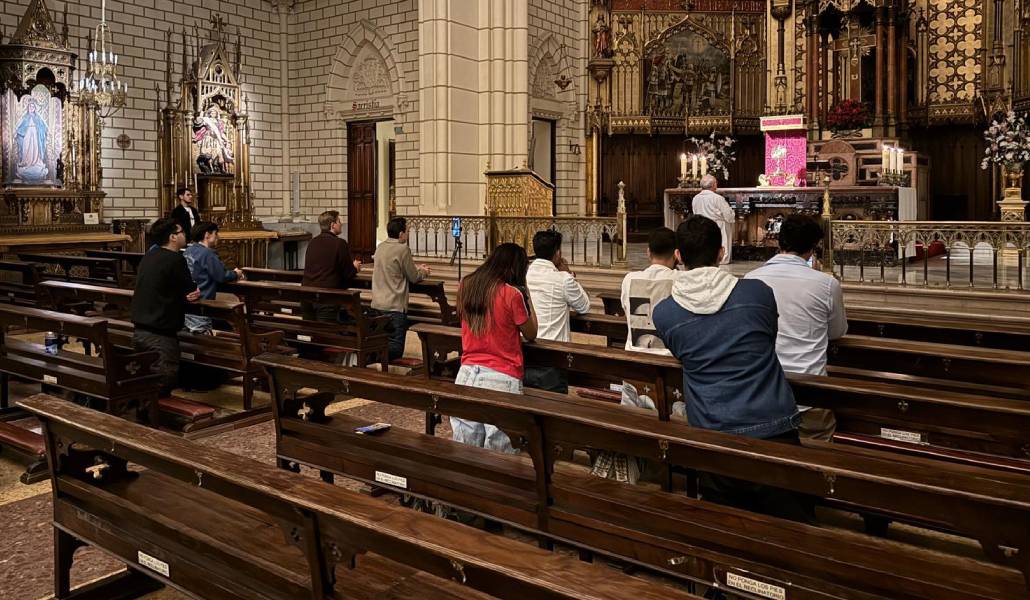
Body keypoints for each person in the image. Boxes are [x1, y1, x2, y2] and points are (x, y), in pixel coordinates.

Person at [652, 215, 809, 522]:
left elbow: (683, 355)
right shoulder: (758, 293)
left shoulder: (665, 313)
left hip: (712, 433)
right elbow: (766, 341)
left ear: (679, 255)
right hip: (772, 425)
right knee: (790, 524)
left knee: (726, 524)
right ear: (721, 252)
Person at [593, 227, 684, 484]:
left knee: (633, 418)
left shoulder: (630, 279)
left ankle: (631, 468)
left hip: (634, 364)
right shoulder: (681, 280)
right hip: (668, 366)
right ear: (677, 254)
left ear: (647, 252)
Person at [745, 215, 847, 441]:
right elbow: (837, 332)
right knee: (817, 454)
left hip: (763, 389)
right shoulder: (826, 284)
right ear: (813, 248)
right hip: (810, 391)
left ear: (779, 241)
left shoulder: (750, 279)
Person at [452, 243, 537, 453]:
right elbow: (531, 332)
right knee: (500, 458)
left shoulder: (466, 285)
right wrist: (526, 292)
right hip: (501, 377)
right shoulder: (511, 294)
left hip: (467, 373)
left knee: (465, 452)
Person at [131, 218, 200, 397]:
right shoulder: (175, 260)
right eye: (181, 232)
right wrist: (193, 292)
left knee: (147, 378)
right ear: (172, 237)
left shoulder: (149, 255)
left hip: (140, 328)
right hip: (160, 333)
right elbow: (190, 289)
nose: (184, 234)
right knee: (163, 380)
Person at [524, 230, 590, 393]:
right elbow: (584, 306)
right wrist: (568, 273)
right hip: (553, 356)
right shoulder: (563, 279)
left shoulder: (524, 274)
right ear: (558, 253)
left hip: (525, 351)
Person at [371, 217, 431, 361]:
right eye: (407, 231)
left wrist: (416, 268)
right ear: (400, 234)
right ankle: (371, 358)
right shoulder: (402, 249)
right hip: (394, 306)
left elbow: (395, 268)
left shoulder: (380, 247)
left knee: (381, 342)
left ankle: (373, 359)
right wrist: (424, 271)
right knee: (396, 348)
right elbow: (413, 276)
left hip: (378, 304)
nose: (408, 234)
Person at [183, 222, 244, 334]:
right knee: (231, 322)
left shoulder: (188, 251)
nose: (218, 237)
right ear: (207, 235)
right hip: (202, 302)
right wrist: (236, 273)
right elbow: (221, 276)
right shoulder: (207, 253)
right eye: (216, 234)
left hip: (187, 304)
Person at [302, 210, 362, 322]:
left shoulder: (312, 242)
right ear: (332, 225)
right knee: (326, 332)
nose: (341, 224)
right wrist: (355, 267)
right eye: (339, 221)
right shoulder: (339, 243)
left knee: (311, 330)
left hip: (307, 296)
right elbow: (348, 273)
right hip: (327, 297)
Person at [691, 175, 735, 264]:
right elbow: (728, 215)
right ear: (713, 185)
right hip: (718, 226)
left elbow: (695, 213)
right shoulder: (717, 198)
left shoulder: (696, 198)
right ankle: (721, 259)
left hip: (701, 226)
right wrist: (732, 215)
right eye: (716, 183)